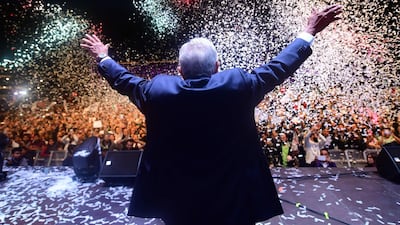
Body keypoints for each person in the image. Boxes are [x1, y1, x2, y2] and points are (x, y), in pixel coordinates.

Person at [81, 5, 342, 225]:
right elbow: (279, 68)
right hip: (234, 200)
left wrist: (103, 57)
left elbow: (124, 80)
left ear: (179, 70)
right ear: (217, 67)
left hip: (177, 202)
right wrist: (308, 32)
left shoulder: (157, 92)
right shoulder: (239, 86)